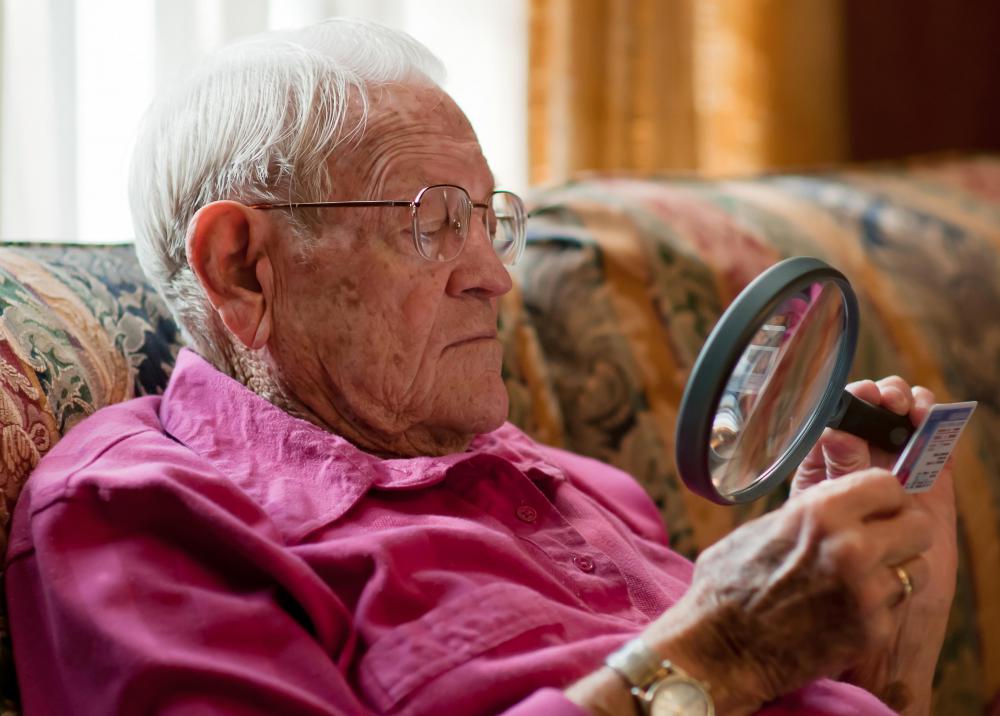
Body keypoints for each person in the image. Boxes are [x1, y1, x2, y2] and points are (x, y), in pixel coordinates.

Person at [5, 18, 955, 716]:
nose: (497, 277)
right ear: (242, 268)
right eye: (432, 222)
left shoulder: (574, 485)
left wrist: (901, 597)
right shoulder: (141, 514)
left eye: (488, 220)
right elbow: (712, 675)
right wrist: (725, 644)